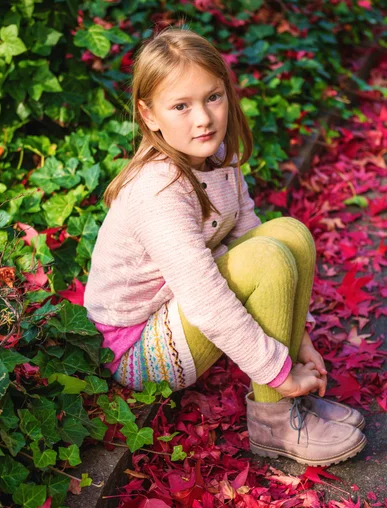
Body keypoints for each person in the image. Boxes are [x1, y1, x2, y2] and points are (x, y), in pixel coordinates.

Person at [84, 26, 366, 467]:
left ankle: (289, 401)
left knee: (290, 233)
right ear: (149, 114)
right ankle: (273, 419)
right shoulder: (158, 189)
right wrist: (280, 371)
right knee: (268, 257)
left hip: (177, 311)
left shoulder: (217, 158)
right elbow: (206, 299)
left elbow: (248, 230)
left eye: (212, 97)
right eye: (181, 106)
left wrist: (301, 341)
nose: (204, 118)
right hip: (137, 346)